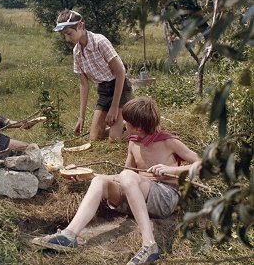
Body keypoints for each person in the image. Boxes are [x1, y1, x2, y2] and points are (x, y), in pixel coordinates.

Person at [32, 97, 201, 265]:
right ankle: (69, 235)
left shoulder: (169, 141)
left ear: (139, 127)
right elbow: (125, 176)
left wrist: (172, 170)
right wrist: (89, 176)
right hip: (138, 197)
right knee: (99, 181)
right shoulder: (133, 143)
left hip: (165, 197)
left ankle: (150, 245)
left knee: (128, 177)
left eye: (127, 122)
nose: (124, 124)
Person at [53, 9, 133, 140]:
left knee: (114, 139)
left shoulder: (99, 42)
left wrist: (114, 107)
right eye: (64, 35)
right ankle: (121, 125)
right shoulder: (77, 52)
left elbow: (120, 72)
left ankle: (135, 127)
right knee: (94, 138)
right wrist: (81, 117)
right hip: (103, 91)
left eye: (69, 33)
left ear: (80, 26)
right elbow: (84, 85)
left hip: (120, 87)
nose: (67, 38)